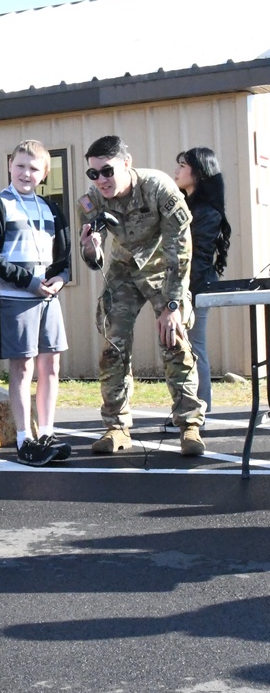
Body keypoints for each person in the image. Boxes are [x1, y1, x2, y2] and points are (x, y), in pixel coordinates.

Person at [79, 135, 205, 456]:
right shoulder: (94, 199)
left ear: (126, 163)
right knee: (113, 346)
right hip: (123, 270)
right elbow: (93, 257)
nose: (101, 181)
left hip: (163, 267)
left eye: (107, 171)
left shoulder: (159, 188)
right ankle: (117, 428)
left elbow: (181, 248)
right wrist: (89, 248)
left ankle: (189, 426)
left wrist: (173, 304)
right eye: (93, 174)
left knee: (173, 338)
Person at [0, 140, 72, 467]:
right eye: (20, 166)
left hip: (49, 298)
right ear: (9, 166)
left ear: (44, 172)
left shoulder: (51, 208)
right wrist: (30, 282)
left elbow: (63, 256)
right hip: (17, 298)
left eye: (33, 168)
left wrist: (61, 278)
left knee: (51, 365)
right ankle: (23, 437)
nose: (25, 173)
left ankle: (46, 432)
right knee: (24, 367)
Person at [174, 146, 232, 414]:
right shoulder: (182, 204)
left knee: (194, 350)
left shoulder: (207, 212)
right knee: (179, 352)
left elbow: (197, 258)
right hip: (179, 289)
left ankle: (199, 410)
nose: (177, 170)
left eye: (183, 165)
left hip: (196, 288)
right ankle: (186, 409)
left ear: (197, 173)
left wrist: (183, 294)